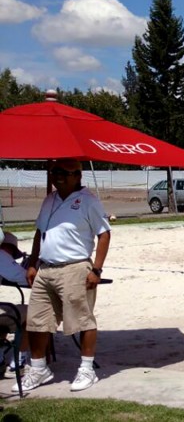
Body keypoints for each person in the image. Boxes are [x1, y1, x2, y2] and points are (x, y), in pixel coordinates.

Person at [12, 159, 111, 392]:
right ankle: (38, 369)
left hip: (75, 268)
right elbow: (40, 233)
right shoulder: (49, 199)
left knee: (82, 320)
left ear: (78, 176)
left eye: (65, 173)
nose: (59, 177)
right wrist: (33, 263)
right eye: (55, 172)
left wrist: (96, 269)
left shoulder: (89, 201)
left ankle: (86, 369)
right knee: (37, 321)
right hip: (45, 269)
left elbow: (104, 234)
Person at [0, 231, 30, 372]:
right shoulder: (2, 256)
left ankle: (0, 356)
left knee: (5, 312)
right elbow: (24, 278)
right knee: (32, 312)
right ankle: (19, 359)